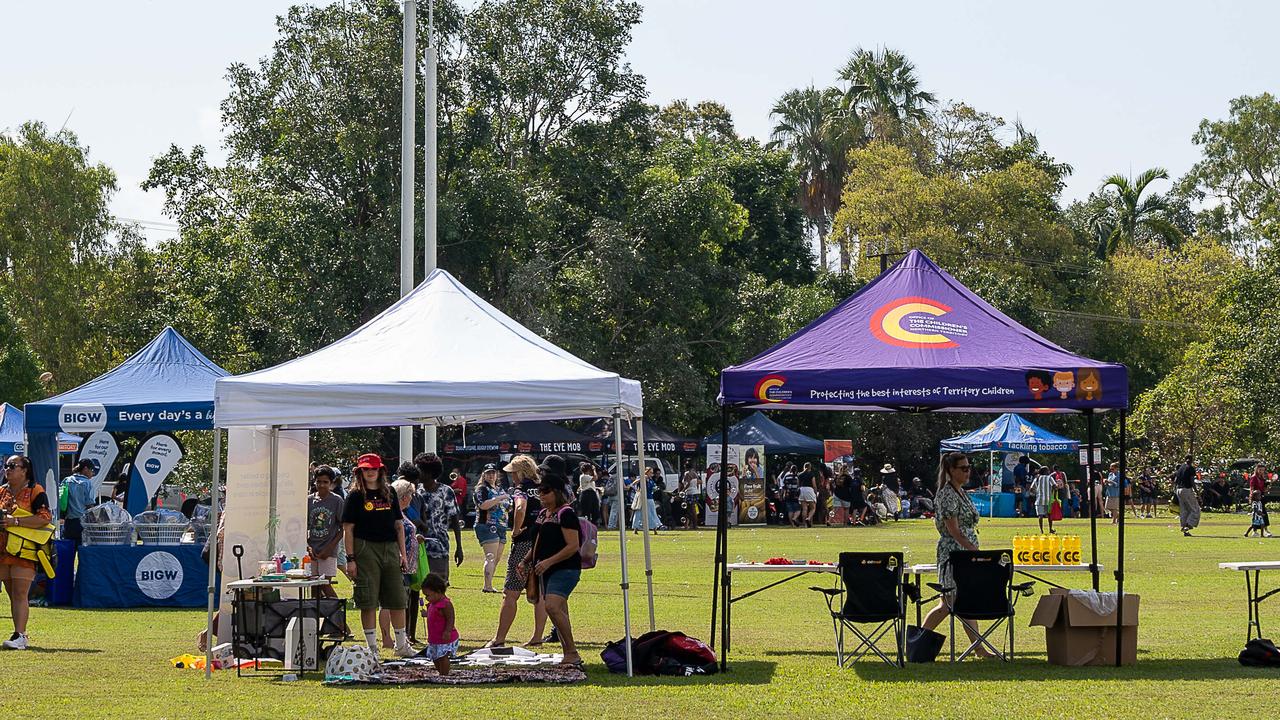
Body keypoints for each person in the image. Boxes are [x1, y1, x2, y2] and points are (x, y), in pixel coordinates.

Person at [919, 452, 991, 657]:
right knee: (948, 603)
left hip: (965, 554)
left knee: (957, 601)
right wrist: (974, 551)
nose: (968, 472)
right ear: (951, 470)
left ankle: (979, 649)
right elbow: (954, 531)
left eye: (969, 467)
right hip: (954, 555)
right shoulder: (947, 494)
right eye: (963, 468)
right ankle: (918, 642)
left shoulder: (961, 492)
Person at [341, 453, 412, 657]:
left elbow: (399, 525)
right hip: (365, 548)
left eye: (374, 468)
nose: (370, 472)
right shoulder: (355, 496)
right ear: (359, 472)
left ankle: (401, 645)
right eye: (366, 469)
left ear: (381, 470)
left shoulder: (389, 492)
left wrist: (403, 554)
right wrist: (351, 559)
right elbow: (348, 529)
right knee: (368, 600)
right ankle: (372, 648)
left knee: (398, 598)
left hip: (389, 547)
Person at [483, 455, 549, 649]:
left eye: (513, 473)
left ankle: (499, 638)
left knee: (510, 593)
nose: (511, 477)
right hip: (544, 542)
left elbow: (520, 507)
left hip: (524, 543)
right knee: (540, 593)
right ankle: (537, 636)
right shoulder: (544, 488)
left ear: (520, 473)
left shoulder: (520, 490)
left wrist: (516, 529)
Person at [529, 458, 583, 669]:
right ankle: (568, 652)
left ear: (558, 492)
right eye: (540, 491)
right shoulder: (544, 514)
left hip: (565, 568)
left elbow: (572, 546)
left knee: (552, 606)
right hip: (546, 569)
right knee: (559, 611)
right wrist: (526, 560)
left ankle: (572, 652)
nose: (541, 495)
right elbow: (538, 541)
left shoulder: (566, 513)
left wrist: (549, 562)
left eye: (546, 491)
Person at [0, 455, 51, 650]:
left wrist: (16, 521)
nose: (8, 469)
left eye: (12, 466)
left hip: (26, 550)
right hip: (4, 548)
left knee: (21, 592)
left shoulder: (35, 490)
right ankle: (18, 633)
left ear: (25, 470)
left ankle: (20, 636)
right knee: (12, 593)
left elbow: (45, 518)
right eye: (6, 466)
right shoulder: (2, 491)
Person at [379, 478, 421, 647]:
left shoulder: (401, 513)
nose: (412, 497)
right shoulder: (392, 514)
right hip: (395, 563)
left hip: (404, 564)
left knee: (397, 601)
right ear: (404, 496)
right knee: (390, 602)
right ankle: (387, 638)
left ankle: (397, 638)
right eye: (411, 494)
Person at [411, 453, 464, 581]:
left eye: (419, 470)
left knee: (439, 586)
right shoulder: (415, 491)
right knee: (415, 586)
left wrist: (459, 547)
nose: (416, 473)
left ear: (429, 472)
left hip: (439, 547)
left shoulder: (446, 491)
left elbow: (455, 520)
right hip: (418, 546)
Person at [472, 463, 511, 593]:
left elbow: (508, 505)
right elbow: (483, 505)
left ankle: (488, 584)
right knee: (491, 557)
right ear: (483, 474)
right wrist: (499, 498)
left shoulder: (500, 488)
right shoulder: (481, 489)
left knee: (497, 557)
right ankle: (487, 586)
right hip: (487, 525)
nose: (491, 475)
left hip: (501, 526)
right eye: (488, 473)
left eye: (493, 473)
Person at [306, 466, 343, 599]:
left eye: (325, 482)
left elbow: (342, 527)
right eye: (319, 481)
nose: (321, 485)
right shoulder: (309, 500)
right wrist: (308, 548)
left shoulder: (337, 500)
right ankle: (316, 617)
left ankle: (337, 614)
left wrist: (330, 548)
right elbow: (304, 526)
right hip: (312, 550)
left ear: (331, 483)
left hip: (328, 550)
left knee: (325, 583)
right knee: (314, 585)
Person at [418, 572, 459, 674]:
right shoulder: (433, 603)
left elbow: (450, 619)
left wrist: (448, 631)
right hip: (435, 638)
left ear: (438, 592)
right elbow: (434, 615)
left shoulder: (445, 604)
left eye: (428, 595)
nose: (426, 598)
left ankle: (444, 674)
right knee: (435, 657)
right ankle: (440, 672)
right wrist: (426, 614)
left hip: (444, 638)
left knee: (442, 657)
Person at [59, 458, 98, 546]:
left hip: (68, 522)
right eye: (91, 470)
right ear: (85, 469)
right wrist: (95, 521)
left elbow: (61, 499)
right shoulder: (87, 483)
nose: (92, 473)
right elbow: (89, 505)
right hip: (82, 522)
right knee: (82, 551)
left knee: (68, 551)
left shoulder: (66, 480)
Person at [631, 466, 664, 533]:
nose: (651, 474)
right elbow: (633, 484)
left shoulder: (651, 480)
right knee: (639, 513)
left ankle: (654, 528)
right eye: (650, 472)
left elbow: (653, 487)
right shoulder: (643, 478)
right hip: (643, 498)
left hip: (650, 498)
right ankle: (636, 528)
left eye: (652, 473)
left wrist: (655, 488)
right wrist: (642, 478)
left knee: (652, 513)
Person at [1174, 456, 1199, 536]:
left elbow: (1175, 480)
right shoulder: (1190, 468)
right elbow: (1192, 481)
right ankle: (1187, 526)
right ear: (1192, 460)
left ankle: (1185, 529)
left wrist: (1175, 491)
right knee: (1195, 509)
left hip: (1179, 489)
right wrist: (1197, 492)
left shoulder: (1181, 467)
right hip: (1186, 489)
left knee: (1184, 510)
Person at [1247, 465, 1272, 537]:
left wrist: (1267, 486)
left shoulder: (1262, 478)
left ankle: (1265, 531)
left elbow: (1264, 490)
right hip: (1256, 498)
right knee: (1256, 515)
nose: (1261, 471)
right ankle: (1255, 531)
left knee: (1264, 514)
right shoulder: (1254, 477)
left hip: (1261, 498)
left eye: (1263, 470)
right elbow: (1252, 488)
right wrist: (1252, 498)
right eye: (1260, 470)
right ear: (1257, 470)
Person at [1031, 465, 1056, 533]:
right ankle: (1050, 529)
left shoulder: (1037, 478)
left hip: (1039, 500)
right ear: (1046, 471)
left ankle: (1041, 530)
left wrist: (1036, 492)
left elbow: (1031, 488)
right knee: (1049, 515)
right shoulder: (1049, 478)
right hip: (1048, 499)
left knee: (1040, 516)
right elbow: (1054, 486)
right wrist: (1053, 493)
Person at [679, 462, 702, 528]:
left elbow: (687, 484)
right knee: (693, 509)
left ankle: (693, 525)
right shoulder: (695, 473)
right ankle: (692, 524)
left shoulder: (687, 473)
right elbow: (698, 482)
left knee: (690, 509)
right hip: (695, 492)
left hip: (689, 492)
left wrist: (682, 491)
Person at [797, 462, 818, 528]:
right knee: (813, 508)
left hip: (801, 490)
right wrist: (815, 492)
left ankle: (804, 524)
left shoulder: (799, 474)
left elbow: (798, 484)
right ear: (810, 467)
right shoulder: (811, 474)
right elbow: (814, 485)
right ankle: (808, 518)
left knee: (804, 508)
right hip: (809, 490)